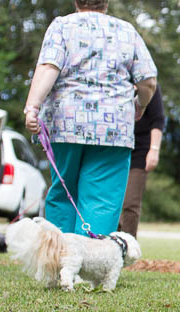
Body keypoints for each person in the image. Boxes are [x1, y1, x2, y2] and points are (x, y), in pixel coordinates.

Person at [24, 0, 157, 236]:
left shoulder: (62, 26)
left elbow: (48, 67)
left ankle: (60, 263)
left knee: (63, 194)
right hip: (113, 129)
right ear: (105, 2)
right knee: (102, 199)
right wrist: (141, 105)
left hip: (65, 125)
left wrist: (32, 107)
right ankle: (90, 264)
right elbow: (148, 81)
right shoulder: (126, 30)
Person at [118, 85, 165, 237]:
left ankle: (128, 250)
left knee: (130, 203)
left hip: (139, 151)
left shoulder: (149, 83)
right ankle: (108, 247)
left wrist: (154, 150)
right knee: (111, 202)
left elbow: (158, 119)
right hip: (114, 148)